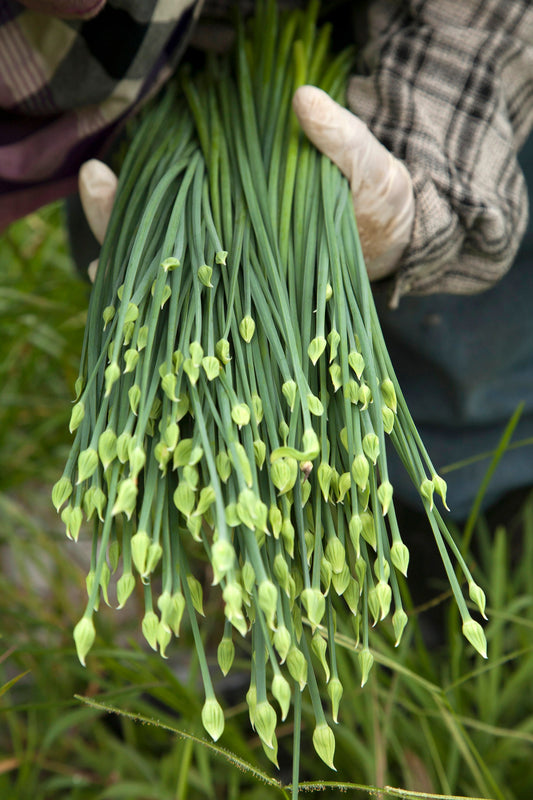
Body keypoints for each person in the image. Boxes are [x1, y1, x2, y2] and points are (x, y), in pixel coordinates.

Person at [2, 0, 533, 521]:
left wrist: (426, 185)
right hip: (150, 83)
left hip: (418, 58)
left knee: (458, 348)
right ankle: (207, 496)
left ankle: (457, 505)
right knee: (170, 326)